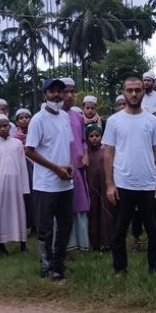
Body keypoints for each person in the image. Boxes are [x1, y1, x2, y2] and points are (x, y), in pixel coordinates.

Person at [103, 76, 156, 275]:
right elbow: (109, 152)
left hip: (148, 184)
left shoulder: (152, 120)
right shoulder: (114, 121)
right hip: (122, 184)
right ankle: (120, 270)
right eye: (129, 90)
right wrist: (110, 184)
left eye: (137, 90)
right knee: (119, 232)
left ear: (143, 92)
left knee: (154, 232)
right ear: (123, 92)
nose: (133, 94)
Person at [26, 78, 75, 282]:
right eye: (52, 91)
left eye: (59, 91)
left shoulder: (65, 116)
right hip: (45, 184)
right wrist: (56, 169)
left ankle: (58, 265)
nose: (56, 94)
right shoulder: (38, 119)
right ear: (44, 94)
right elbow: (29, 151)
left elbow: (66, 146)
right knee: (45, 229)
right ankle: (47, 268)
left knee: (65, 227)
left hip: (66, 183)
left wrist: (69, 165)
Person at [0, 114, 31, 254]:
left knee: (19, 213)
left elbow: (23, 166)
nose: (3, 129)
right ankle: (2, 246)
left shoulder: (17, 143)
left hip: (16, 186)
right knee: (0, 215)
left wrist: (25, 187)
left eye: (5, 126)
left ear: (9, 126)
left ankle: (23, 244)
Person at [62, 77, 91, 252]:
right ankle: (67, 244)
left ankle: (82, 243)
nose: (70, 95)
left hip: (78, 167)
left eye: (72, 91)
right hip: (61, 168)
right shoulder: (54, 116)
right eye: (66, 91)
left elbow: (83, 140)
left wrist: (86, 154)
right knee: (65, 207)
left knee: (80, 205)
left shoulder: (78, 117)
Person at [86, 124, 113, 250]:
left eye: (97, 136)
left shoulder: (105, 153)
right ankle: (94, 242)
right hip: (92, 189)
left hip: (105, 187)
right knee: (93, 213)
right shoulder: (86, 155)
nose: (95, 138)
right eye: (91, 136)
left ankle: (107, 241)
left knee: (106, 212)